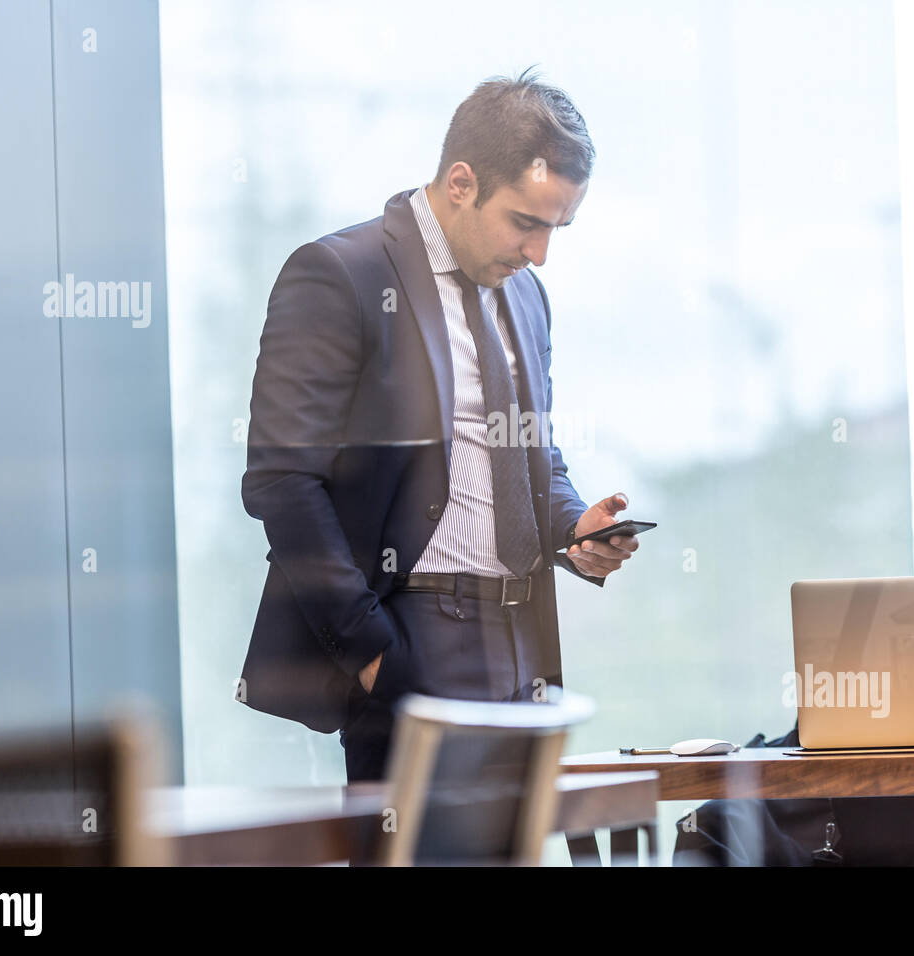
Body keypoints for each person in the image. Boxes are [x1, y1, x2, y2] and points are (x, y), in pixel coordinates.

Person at [238, 68, 638, 781]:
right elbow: (282, 481)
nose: (539, 253)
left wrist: (575, 529)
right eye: (526, 222)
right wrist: (371, 655)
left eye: (557, 229)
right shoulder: (339, 274)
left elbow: (523, 459)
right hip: (412, 634)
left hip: (523, 644)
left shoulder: (526, 296)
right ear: (461, 183)